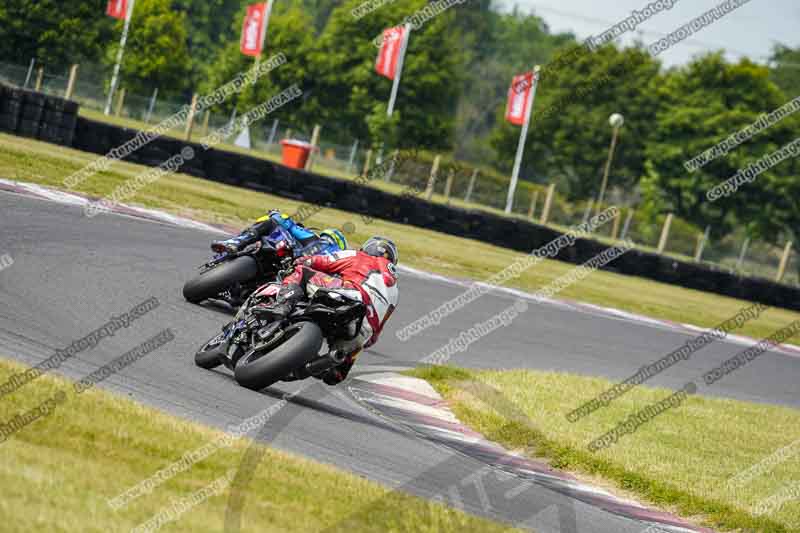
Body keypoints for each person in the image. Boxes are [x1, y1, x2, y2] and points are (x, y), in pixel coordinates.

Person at [256, 236, 399, 385]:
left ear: (368, 248)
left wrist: (302, 260)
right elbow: (378, 330)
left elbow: (321, 261)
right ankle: (336, 367)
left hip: (348, 295)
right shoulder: (395, 291)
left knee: (302, 272)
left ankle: (281, 306)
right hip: (363, 328)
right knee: (339, 367)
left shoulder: (359, 256)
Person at [211, 210, 347, 257]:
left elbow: (285, 222)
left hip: (288, 261)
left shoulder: (313, 238)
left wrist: (275, 213)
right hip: (292, 277)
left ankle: (235, 242)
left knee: (271, 222)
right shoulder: (337, 265)